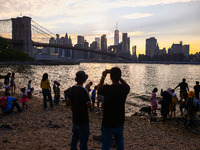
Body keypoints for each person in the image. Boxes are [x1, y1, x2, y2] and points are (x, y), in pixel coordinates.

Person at [98, 67, 130, 150]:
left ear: (111, 77)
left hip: (107, 122)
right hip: (119, 122)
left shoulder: (106, 88)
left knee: (105, 144)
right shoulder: (124, 89)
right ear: (120, 76)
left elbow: (99, 89)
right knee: (119, 142)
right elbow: (126, 85)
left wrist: (103, 77)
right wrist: (119, 77)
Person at [67, 71, 91, 150]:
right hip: (83, 119)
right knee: (83, 140)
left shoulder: (72, 89)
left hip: (75, 117)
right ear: (84, 80)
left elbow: (68, 101)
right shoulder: (84, 90)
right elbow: (89, 106)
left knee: (75, 137)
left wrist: (74, 105)